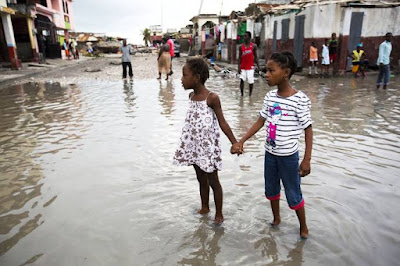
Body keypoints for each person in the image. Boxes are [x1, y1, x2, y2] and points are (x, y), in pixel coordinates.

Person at [231, 51, 313, 239]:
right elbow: (260, 121)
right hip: (270, 154)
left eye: (270, 71)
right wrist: (241, 141)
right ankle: (276, 219)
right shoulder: (270, 97)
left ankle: (304, 227)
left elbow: (308, 129)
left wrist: (307, 160)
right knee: (271, 189)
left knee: (293, 193)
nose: (266, 74)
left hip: (289, 157)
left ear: (285, 72)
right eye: (266, 70)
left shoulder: (299, 99)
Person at [173, 58, 238, 224]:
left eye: (184, 75)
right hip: (194, 147)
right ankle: (204, 207)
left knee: (213, 180)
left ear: (196, 77)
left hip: (208, 149)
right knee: (200, 178)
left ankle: (219, 214)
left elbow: (223, 122)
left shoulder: (212, 98)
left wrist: (234, 142)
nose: (181, 79)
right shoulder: (191, 96)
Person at [238, 31, 260, 97]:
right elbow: (239, 58)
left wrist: (258, 66)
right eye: (243, 36)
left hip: (250, 67)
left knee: (251, 81)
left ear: (249, 37)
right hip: (243, 67)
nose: (244, 38)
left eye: (245, 36)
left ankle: (250, 95)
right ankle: (242, 95)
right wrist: (238, 67)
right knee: (242, 80)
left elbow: (256, 57)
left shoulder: (253, 46)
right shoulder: (241, 47)